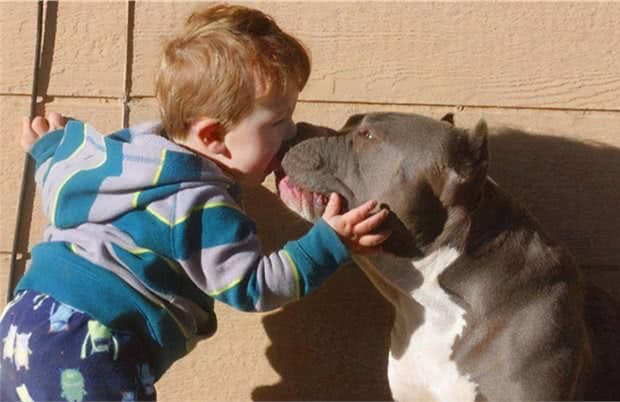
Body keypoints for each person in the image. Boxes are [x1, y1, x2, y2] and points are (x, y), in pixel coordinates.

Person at [0, 4, 390, 401]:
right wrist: (329, 244)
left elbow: (62, 175)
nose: (291, 131)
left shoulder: (124, 153)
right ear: (212, 136)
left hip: (23, 319)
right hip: (92, 347)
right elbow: (254, 285)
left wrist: (50, 148)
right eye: (277, 122)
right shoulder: (198, 203)